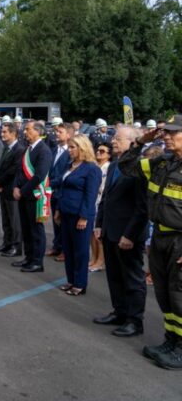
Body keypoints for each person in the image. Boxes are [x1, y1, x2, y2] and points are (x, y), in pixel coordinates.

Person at [119, 115, 182, 370]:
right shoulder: (162, 162)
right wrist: (141, 141)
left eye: (171, 132)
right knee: (165, 294)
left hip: (179, 240)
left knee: (179, 296)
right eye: (163, 132)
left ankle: (180, 349)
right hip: (160, 237)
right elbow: (126, 167)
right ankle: (171, 341)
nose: (165, 136)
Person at [93, 126, 148, 337]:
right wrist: (99, 224)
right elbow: (106, 198)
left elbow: (142, 207)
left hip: (128, 234)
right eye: (113, 137)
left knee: (132, 279)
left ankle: (135, 321)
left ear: (134, 142)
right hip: (110, 231)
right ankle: (120, 312)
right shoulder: (115, 165)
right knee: (115, 276)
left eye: (118, 138)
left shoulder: (140, 167)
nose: (113, 141)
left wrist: (130, 234)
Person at [54, 134, 102, 295]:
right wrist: (58, 210)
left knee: (80, 251)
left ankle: (80, 284)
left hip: (79, 216)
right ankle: (71, 280)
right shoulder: (70, 165)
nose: (69, 150)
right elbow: (62, 187)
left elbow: (91, 195)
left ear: (82, 148)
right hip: (66, 212)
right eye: (69, 147)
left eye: (73, 147)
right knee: (68, 249)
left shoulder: (92, 169)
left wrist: (84, 217)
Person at [12, 121, 53, 273]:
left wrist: (22, 191)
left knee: (36, 230)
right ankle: (28, 257)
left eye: (28, 129)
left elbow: (39, 176)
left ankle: (37, 261)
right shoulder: (28, 149)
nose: (24, 132)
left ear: (37, 131)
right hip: (23, 194)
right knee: (26, 229)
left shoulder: (44, 150)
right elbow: (20, 170)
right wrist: (16, 186)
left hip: (35, 195)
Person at [0, 122, 25, 257]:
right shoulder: (7, 148)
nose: (2, 134)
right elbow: (1, 167)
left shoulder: (19, 149)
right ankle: (7, 243)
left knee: (14, 220)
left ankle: (16, 247)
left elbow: (13, 171)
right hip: (4, 189)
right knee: (6, 219)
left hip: (12, 189)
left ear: (13, 133)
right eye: (2, 131)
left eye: (5, 132)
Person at [46, 122, 73, 262]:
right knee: (56, 221)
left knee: (64, 222)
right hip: (53, 191)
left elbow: (66, 173)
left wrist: (53, 182)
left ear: (68, 135)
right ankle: (57, 246)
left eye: (60, 132)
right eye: (56, 131)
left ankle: (65, 249)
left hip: (63, 191)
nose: (56, 134)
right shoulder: (55, 149)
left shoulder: (71, 152)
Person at [90, 141, 112, 271]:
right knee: (91, 234)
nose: (98, 152)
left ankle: (100, 261)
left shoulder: (108, 167)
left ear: (109, 155)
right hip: (93, 202)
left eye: (102, 151)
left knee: (99, 235)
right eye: (98, 150)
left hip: (101, 203)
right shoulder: (95, 166)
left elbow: (104, 188)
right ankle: (93, 258)